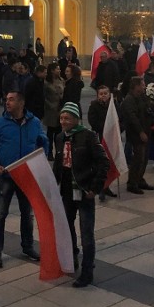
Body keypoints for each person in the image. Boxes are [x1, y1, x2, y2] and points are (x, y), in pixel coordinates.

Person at [0, 90, 48, 268]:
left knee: (27, 214)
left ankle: (27, 247)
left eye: (11, 100)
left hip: (26, 176)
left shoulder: (34, 122)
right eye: (6, 100)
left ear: (21, 103)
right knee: (0, 214)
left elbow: (42, 142)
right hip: (6, 176)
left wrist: (42, 160)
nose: (7, 102)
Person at [52, 102, 109, 287]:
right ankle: (72, 257)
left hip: (84, 190)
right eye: (61, 118)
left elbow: (103, 162)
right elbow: (59, 163)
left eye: (67, 118)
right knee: (67, 228)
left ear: (76, 119)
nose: (63, 121)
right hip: (67, 191)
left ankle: (87, 271)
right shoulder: (59, 137)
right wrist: (53, 183)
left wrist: (95, 187)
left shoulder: (88, 136)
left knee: (86, 233)